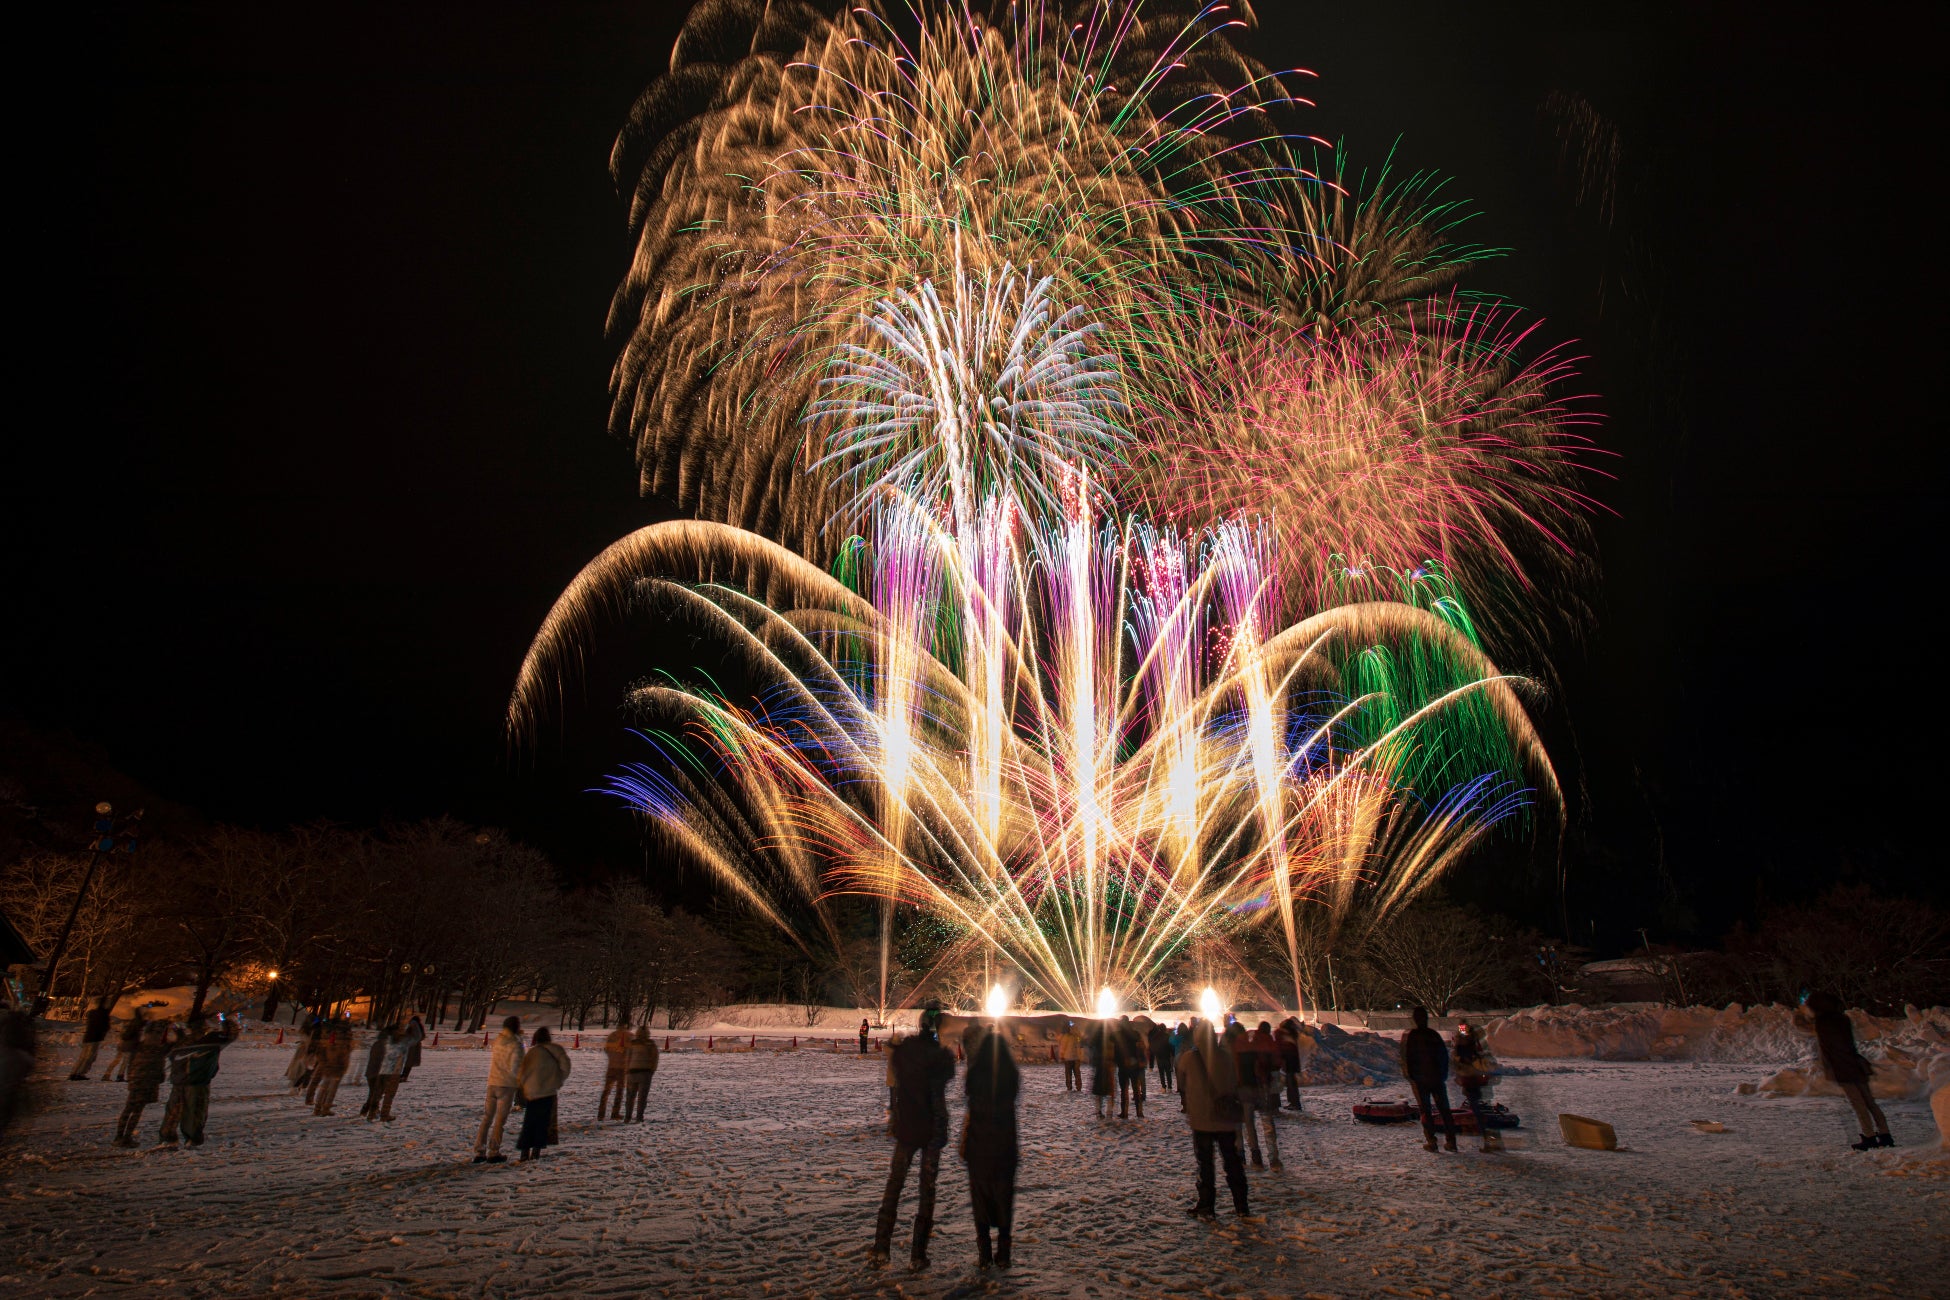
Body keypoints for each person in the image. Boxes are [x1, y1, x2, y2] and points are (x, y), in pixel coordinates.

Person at [871, 1002, 956, 1270]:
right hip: (931, 1129)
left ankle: (880, 1247)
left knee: (894, 1185)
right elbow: (947, 1075)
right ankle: (918, 1254)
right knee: (926, 1192)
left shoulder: (905, 1052)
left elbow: (895, 1061)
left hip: (906, 1126)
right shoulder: (940, 1057)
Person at [1795, 992, 1894, 1150]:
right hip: (1856, 1063)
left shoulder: (1822, 1022)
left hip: (1842, 1067)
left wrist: (1800, 1012)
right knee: (1870, 1102)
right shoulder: (1842, 1019)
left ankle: (1869, 1136)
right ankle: (1885, 1135)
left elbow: (1803, 1027)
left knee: (1858, 1104)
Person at [1178, 1018, 1250, 1219]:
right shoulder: (1226, 1057)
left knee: (1205, 1164)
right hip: (1225, 1117)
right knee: (1232, 1162)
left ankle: (1206, 1204)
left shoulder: (1189, 1058)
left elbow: (1181, 1082)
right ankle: (1241, 1204)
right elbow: (1235, 1082)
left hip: (1202, 1119)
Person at [961, 1023, 1019, 1268]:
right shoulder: (1010, 1077)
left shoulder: (975, 1076)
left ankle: (984, 1252)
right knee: (1004, 1196)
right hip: (1005, 1145)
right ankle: (1004, 1251)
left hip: (979, 1146)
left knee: (980, 1198)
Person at [159, 1014, 237, 1147]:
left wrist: (172, 1030)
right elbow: (231, 1034)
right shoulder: (210, 1039)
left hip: (180, 1080)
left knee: (174, 1110)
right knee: (195, 1111)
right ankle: (192, 1139)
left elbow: (164, 1050)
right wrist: (226, 1020)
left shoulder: (182, 1040)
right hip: (197, 1081)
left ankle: (168, 1137)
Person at [1227, 1021, 1282, 1170]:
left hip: (1244, 1089)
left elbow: (1234, 1071)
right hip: (1261, 1086)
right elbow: (1270, 1063)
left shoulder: (1233, 1047)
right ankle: (1274, 1157)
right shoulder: (1255, 1043)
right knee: (1267, 1122)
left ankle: (1254, 1156)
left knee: (1247, 1123)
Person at [1401, 1006, 1457, 1152]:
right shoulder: (1433, 1035)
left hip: (1421, 1081)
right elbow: (1443, 1056)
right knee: (1444, 1110)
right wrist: (1442, 1075)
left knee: (1426, 1111)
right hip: (1436, 1079)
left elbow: (1407, 1058)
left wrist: (1412, 1076)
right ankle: (1451, 1141)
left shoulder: (1412, 1036)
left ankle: (1432, 1141)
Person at [515, 1025, 571, 1162]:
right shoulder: (557, 1049)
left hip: (532, 1091)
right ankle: (536, 1151)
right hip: (549, 1092)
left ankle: (524, 1152)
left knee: (529, 1122)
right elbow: (566, 1067)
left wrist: (524, 1086)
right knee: (543, 1122)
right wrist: (558, 1081)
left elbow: (522, 1072)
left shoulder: (532, 1052)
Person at [113, 1020, 173, 1147]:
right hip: (147, 1083)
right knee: (137, 1111)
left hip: (135, 1081)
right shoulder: (158, 1049)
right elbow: (170, 1048)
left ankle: (119, 1136)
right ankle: (126, 1138)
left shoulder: (139, 1046)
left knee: (128, 1108)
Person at [474, 1015, 525, 1163]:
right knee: (499, 1121)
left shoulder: (498, 1040)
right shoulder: (516, 1043)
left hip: (492, 1082)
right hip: (507, 1085)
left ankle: (479, 1150)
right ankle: (494, 1151)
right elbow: (516, 1066)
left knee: (487, 1118)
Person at [1452, 1020, 1499, 1152]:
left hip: (1471, 1079)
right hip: (1475, 1079)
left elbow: (1462, 1061)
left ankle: (1488, 1139)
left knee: (1477, 1110)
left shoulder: (1465, 1045)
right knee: (1478, 1108)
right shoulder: (1473, 1042)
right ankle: (1489, 1138)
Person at [375, 1014, 423, 1122]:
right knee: (390, 1093)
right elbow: (417, 1037)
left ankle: (373, 1111)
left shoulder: (386, 1039)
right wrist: (414, 1024)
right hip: (394, 1070)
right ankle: (384, 1114)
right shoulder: (403, 1041)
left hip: (383, 1068)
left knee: (379, 1091)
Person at [310, 1017, 353, 1116]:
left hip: (327, 1064)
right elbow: (345, 1052)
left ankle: (317, 1108)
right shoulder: (344, 1038)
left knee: (324, 1086)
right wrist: (342, 1065)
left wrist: (323, 1062)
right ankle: (326, 1108)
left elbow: (321, 1050)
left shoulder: (328, 1035)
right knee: (332, 1089)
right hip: (337, 1066)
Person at [70, 997, 113, 1080]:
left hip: (87, 1037)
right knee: (90, 1057)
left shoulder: (92, 1013)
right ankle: (80, 1073)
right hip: (95, 1038)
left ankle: (73, 1073)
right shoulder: (104, 1014)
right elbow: (105, 1026)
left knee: (83, 1056)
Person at [359, 1022, 395, 1120]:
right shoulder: (385, 1045)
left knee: (373, 1093)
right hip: (377, 1073)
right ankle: (372, 1111)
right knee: (376, 1094)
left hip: (372, 1072)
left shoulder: (379, 1043)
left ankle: (366, 1110)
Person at [624, 1024, 659, 1120]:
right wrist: (652, 1070)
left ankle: (627, 1116)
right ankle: (639, 1116)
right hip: (645, 1073)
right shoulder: (651, 1044)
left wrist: (627, 1070)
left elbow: (627, 1058)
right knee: (642, 1097)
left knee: (630, 1096)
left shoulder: (632, 1043)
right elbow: (655, 1058)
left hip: (632, 1072)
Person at [600, 1015, 632, 1120]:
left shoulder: (612, 1036)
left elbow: (607, 1050)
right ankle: (615, 1113)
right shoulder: (629, 1036)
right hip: (622, 1068)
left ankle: (601, 1113)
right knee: (619, 1091)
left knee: (606, 1090)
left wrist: (612, 1058)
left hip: (611, 1066)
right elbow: (631, 1052)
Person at [1115, 1016, 1147, 1118]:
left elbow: (1115, 1051)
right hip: (1134, 1064)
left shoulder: (1118, 1035)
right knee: (1136, 1089)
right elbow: (1141, 1047)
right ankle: (1139, 1112)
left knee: (1124, 1090)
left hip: (1123, 1065)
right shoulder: (1135, 1034)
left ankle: (1124, 1112)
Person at [104, 1007, 144, 1082]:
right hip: (128, 1045)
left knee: (118, 1060)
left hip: (124, 1044)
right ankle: (119, 1076)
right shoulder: (135, 1023)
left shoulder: (131, 1022)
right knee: (125, 1061)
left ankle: (108, 1074)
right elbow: (127, 1035)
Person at [1087, 1020, 1115, 1118]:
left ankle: (1099, 1111)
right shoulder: (1110, 1038)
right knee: (1110, 1090)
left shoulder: (1096, 1038)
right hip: (1108, 1066)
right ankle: (1109, 1111)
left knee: (1099, 1092)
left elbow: (1091, 1048)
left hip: (1099, 1067)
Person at [1276, 1018, 1304, 1111]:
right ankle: (1294, 1102)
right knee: (1291, 1082)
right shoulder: (1292, 1034)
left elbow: (1282, 1048)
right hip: (1293, 1061)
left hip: (1288, 1061)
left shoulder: (1284, 1035)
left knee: (1290, 1083)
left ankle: (1294, 1103)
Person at [1148, 1019, 1175, 1094]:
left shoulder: (1155, 1037)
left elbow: (1152, 1047)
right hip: (1166, 1056)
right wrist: (1172, 1054)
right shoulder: (1167, 1036)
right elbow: (1171, 1046)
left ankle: (1163, 1087)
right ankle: (1169, 1087)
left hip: (1159, 1057)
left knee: (1161, 1073)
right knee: (1168, 1073)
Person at [1056, 1021, 1083, 1092]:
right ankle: (1079, 1087)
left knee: (1068, 1074)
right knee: (1077, 1074)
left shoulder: (1066, 1037)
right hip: (1076, 1058)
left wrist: (1061, 1055)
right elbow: (1079, 1042)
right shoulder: (1077, 1037)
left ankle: (1069, 1087)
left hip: (1068, 1058)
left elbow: (1063, 1046)